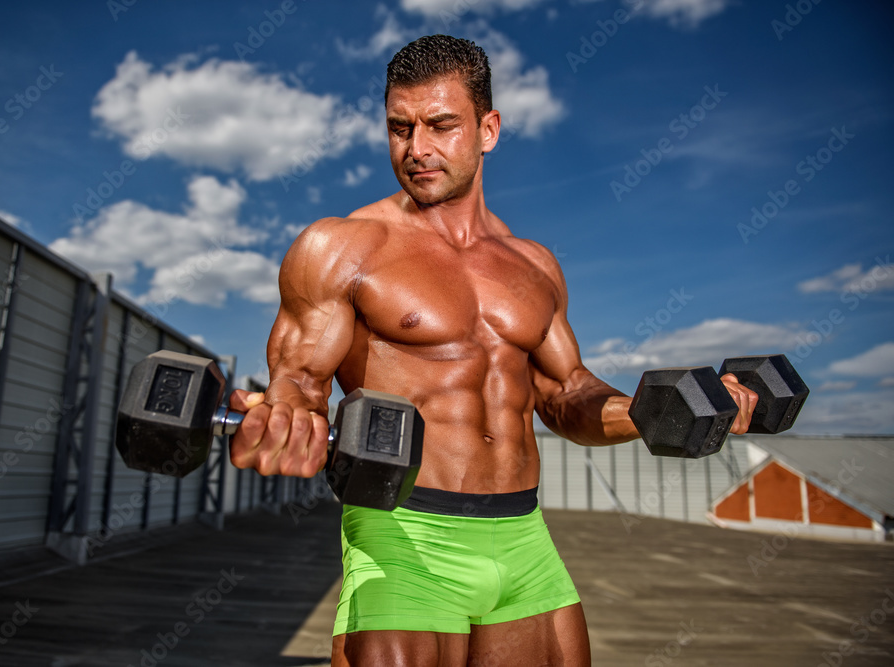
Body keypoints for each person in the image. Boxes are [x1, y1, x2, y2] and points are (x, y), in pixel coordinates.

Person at [227, 35, 758, 667]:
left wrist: (658, 412)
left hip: (524, 538)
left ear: (488, 129)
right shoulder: (341, 247)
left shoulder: (534, 266)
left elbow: (565, 395)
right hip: (405, 537)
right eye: (400, 128)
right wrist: (285, 414)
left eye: (441, 126)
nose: (416, 149)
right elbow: (299, 379)